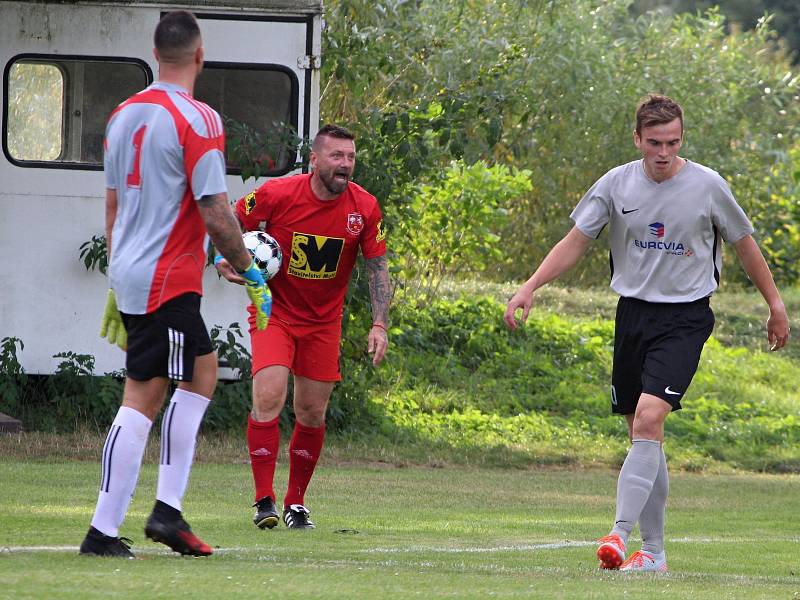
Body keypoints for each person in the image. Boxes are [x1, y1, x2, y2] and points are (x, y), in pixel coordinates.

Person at [504, 94, 789, 572]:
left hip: (685, 317)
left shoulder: (708, 186)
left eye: (673, 142)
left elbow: (745, 245)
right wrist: (531, 285)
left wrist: (776, 305)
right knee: (642, 433)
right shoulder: (616, 184)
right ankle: (653, 554)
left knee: (650, 416)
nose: (664, 152)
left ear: (682, 139)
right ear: (637, 139)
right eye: (655, 142)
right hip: (633, 315)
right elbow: (576, 241)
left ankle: (618, 533)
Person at [79, 10, 271, 558]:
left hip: (139, 272)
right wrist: (251, 271)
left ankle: (163, 511)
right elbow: (213, 206)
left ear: (155, 52)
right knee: (144, 393)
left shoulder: (122, 114)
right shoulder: (199, 119)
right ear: (200, 56)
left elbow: (116, 204)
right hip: (167, 276)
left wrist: (119, 277)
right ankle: (111, 527)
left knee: (200, 370)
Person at [215, 124, 390, 530]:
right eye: (336, 156)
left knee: (312, 412)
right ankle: (264, 501)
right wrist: (225, 260)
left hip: (324, 323)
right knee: (269, 396)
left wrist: (379, 322)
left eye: (350, 157)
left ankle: (296, 503)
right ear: (314, 160)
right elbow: (229, 219)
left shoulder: (364, 208)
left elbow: (378, 266)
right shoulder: (278, 194)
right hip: (274, 312)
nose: (345, 164)